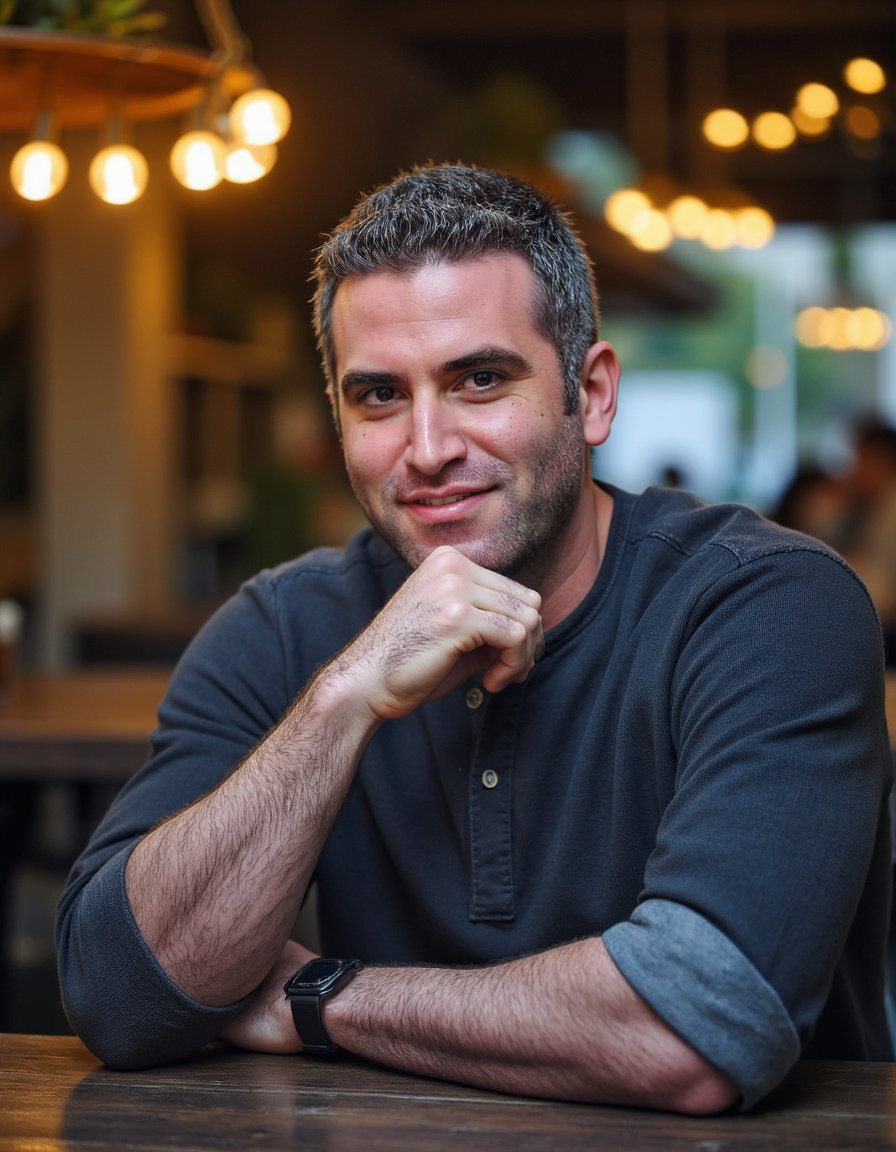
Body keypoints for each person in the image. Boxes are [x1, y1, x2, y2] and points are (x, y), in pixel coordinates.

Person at [56, 163, 892, 1115]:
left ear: (594, 394)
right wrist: (348, 695)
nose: (426, 448)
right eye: (377, 396)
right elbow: (120, 996)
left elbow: (699, 1028)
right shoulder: (281, 628)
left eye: (480, 379)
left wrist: (320, 997)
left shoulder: (768, 606)